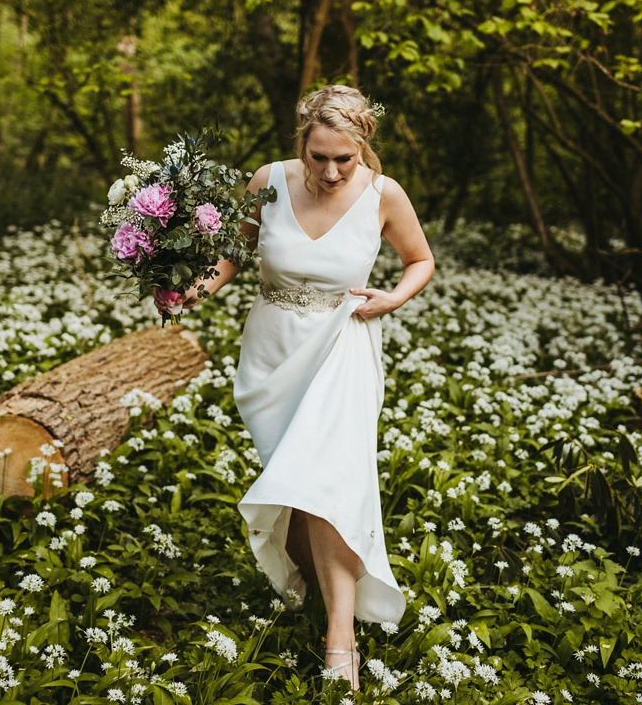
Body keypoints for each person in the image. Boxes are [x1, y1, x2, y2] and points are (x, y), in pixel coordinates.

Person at [157, 85, 434, 689]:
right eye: (319, 157)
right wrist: (186, 292)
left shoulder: (384, 195)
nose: (331, 172)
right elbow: (234, 255)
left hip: (342, 347)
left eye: (345, 159)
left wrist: (392, 297)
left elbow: (420, 260)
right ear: (302, 144)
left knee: (328, 481)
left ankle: (341, 639)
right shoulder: (269, 182)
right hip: (272, 351)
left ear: (364, 149)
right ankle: (314, 591)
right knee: (298, 488)